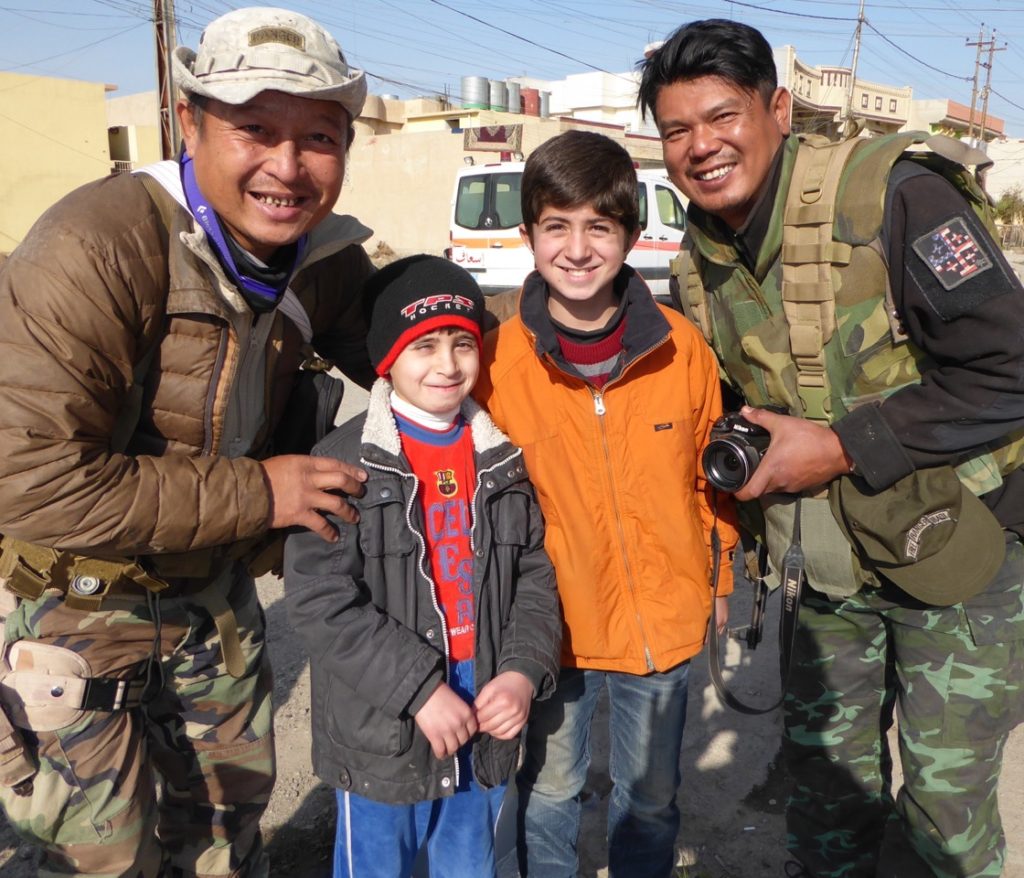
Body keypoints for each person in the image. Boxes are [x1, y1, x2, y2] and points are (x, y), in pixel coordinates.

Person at [639, 18, 1024, 878]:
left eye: (721, 116)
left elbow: (1012, 371)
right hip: (828, 571)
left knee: (945, 822)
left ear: (778, 108)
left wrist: (845, 446)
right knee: (825, 802)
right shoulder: (698, 258)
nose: (702, 147)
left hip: (961, 560)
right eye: (676, 130)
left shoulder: (892, 196)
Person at [0, 7, 379, 876]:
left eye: (318, 137)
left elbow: (422, 344)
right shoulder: (97, 243)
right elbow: (27, 477)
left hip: (215, 601)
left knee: (223, 847)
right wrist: (263, 494)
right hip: (82, 609)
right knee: (110, 858)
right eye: (256, 130)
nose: (286, 167)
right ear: (190, 122)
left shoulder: (321, 258)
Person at [474, 129, 739, 878]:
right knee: (550, 791)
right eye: (557, 225)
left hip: (660, 618)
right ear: (529, 234)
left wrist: (718, 584)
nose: (578, 248)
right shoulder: (493, 360)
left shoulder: (681, 347)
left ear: (630, 233)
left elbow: (708, 482)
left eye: (600, 226)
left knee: (649, 798)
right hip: (547, 628)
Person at [283, 254, 561, 878]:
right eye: (424, 345)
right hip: (386, 723)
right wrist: (418, 689)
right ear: (386, 358)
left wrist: (520, 673)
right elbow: (321, 601)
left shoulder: (502, 458)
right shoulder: (341, 464)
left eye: (462, 343)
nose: (446, 364)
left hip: (485, 704)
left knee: (469, 864)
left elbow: (535, 580)